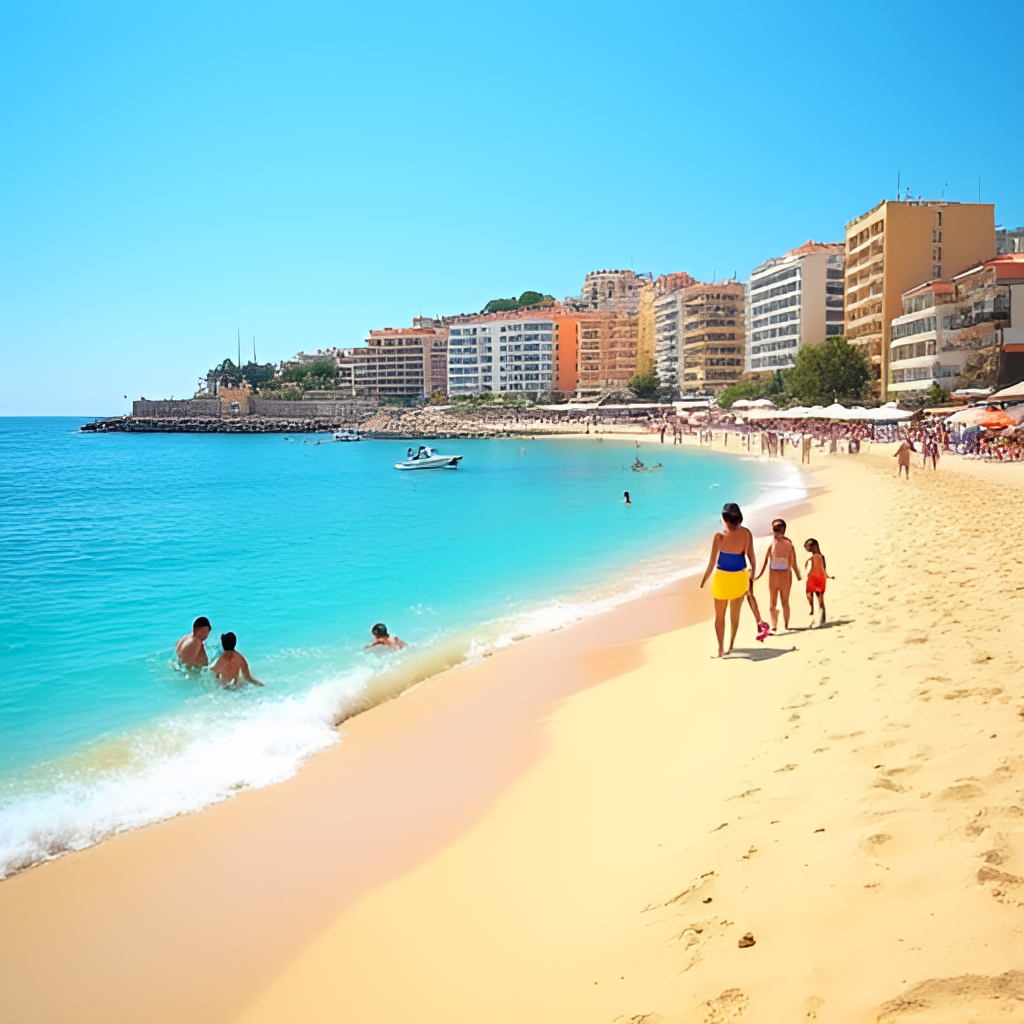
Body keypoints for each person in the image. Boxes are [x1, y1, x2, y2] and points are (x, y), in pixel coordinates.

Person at [700, 502, 757, 658]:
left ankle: (721, 649)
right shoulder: (746, 533)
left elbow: (712, 563)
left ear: (724, 518)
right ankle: (731, 643)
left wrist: (704, 580)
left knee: (720, 616)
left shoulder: (719, 537)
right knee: (735, 614)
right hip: (739, 577)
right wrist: (753, 574)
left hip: (723, 579)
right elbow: (751, 556)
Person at [756, 519, 801, 632]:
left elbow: (793, 562)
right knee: (774, 602)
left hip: (781, 574)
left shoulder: (785, 544)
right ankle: (776, 625)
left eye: (778, 530)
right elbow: (766, 561)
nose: (776, 533)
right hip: (777, 574)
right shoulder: (776, 544)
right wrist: (757, 575)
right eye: (775, 530)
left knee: (782, 601)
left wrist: (798, 574)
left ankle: (784, 625)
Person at [803, 539, 833, 626]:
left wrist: (827, 575)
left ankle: (820, 617)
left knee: (819, 598)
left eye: (809, 548)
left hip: (818, 578)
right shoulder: (814, 557)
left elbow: (823, 568)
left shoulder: (817, 557)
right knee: (811, 595)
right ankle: (814, 611)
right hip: (813, 578)